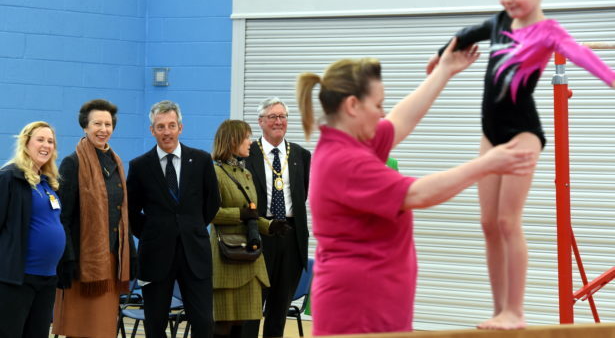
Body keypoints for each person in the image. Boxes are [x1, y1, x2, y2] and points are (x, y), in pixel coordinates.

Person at [296, 38, 538, 336]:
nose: (383, 113)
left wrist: (444, 71)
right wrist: (487, 164)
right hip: (358, 307)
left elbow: (401, 119)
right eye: (378, 104)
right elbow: (419, 193)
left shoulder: (355, 141)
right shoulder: (343, 160)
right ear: (352, 106)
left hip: (379, 298)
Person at [426, 0, 615, 330]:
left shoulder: (549, 32)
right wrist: (441, 56)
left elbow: (581, 56)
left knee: (507, 221)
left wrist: (611, 78)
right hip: (489, 134)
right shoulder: (499, 22)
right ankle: (500, 310)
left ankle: (516, 310)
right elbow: (465, 34)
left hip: (522, 133)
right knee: (487, 223)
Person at [127, 100, 221, 338]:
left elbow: (213, 202)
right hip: (155, 255)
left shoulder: (201, 160)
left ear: (181, 127)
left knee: (203, 322)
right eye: (160, 127)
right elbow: (130, 210)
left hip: (195, 253)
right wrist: (151, 232)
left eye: (171, 125)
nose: (166, 132)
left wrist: (193, 226)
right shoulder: (139, 166)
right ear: (152, 130)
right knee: (155, 323)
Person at [52, 99, 136, 338]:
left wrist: (131, 250)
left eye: (108, 124)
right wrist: (67, 259)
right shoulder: (72, 163)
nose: (103, 129)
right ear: (85, 127)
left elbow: (122, 212)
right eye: (97, 123)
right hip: (82, 263)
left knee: (102, 331)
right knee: (79, 330)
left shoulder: (116, 162)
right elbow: (63, 218)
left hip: (110, 262)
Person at [211, 119, 290, 338]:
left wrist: (271, 226)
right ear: (232, 140)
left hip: (248, 259)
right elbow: (210, 213)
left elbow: (252, 215)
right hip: (227, 258)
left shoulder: (245, 173)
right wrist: (239, 214)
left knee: (241, 325)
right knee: (222, 325)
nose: (250, 142)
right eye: (246, 137)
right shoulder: (215, 173)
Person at [243, 97, 311, 338]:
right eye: (273, 117)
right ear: (261, 121)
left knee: (279, 307)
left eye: (282, 116)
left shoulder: (301, 155)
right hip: (259, 234)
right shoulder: (247, 153)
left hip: (290, 235)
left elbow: (302, 192)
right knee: (252, 307)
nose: (278, 121)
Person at [0, 121, 63, 337]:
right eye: (40, 139)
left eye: (50, 141)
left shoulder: (48, 184)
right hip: (16, 280)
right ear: (26, 143)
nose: (46, 145)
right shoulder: (9, 177)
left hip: (46, 280)